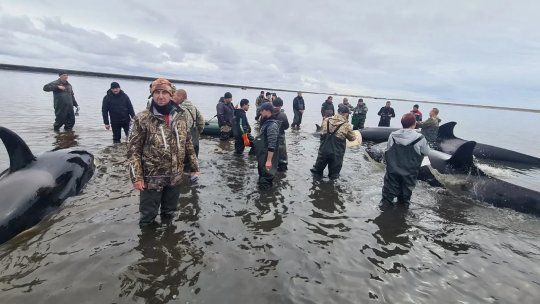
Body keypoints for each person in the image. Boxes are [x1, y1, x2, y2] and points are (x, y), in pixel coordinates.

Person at [127, 78, 200, 227]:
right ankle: (148, 246)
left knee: (169, 213)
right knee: (147, 217)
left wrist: (194, 168)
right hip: (152, 178)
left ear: (171, 94)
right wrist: (137, 177)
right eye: (157, 92)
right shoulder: (142, 119)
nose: (161, 96)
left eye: (164, 92)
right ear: (152, 95)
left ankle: (168, 238)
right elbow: (133, 150)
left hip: (175, 176)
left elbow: (188, 143)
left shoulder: (180, 117)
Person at [381, 113, 430, 205]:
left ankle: (384, 215)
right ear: (414, 124)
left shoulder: (393, 135)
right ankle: (401, 217)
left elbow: (388, 149)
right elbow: (427, 152)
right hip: (409, 173)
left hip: (392, 171)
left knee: (387, 197)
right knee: (404, 199)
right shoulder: (420, 138)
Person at [311, 104, 356, 179]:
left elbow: (322, 131)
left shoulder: (326, 120)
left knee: (317, 172)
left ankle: (315, 187)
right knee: (334, 176)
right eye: (348, 114)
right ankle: (331, 188)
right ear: (345, 114)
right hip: (336, 154)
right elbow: (352, 138)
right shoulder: (346, 125)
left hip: (323, 151)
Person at [252, 103, 280, 190]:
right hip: (263, 155)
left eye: (262, 110)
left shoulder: (272, 125)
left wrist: (268, 160)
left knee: (266, 178)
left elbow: (272, 144)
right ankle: (263, 199)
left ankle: (266, 197)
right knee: (262, 175)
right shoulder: (266, 122)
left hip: (268, 156)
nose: (260, 112)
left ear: (268, 111)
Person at [172, 89, 205, 156]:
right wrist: (198, 133)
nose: (173, 97)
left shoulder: (179, 110)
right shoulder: (194, 108)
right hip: (195, 142)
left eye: (174, 95)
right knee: (194, 163)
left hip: (184, 143)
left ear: (180, 97)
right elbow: (202, 122)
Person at [272, 97, 289, 171]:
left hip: (270, 136)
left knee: (271, 152)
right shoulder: (283, 115)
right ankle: (282, 169)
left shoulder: (268, 112)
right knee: (282, 154)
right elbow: (286, 126)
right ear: (280, 105)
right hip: (280, 136)